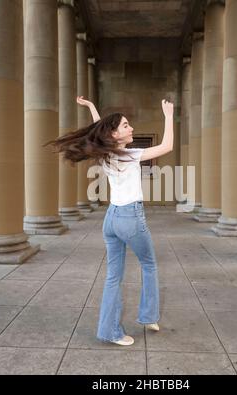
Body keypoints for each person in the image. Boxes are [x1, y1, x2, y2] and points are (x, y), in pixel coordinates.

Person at [44, 97, 174, 346]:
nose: (131, 128)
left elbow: (99, 128)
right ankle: (148, 316)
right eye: (126, 125)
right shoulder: (131, 155)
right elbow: (167, 146)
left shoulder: (106, 154)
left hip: (111, 219)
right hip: (130, 218)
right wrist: (168, 115)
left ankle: (110, 331)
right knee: (149, 265)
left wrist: (92, 107)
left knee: (113, 277)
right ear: (114, 134)